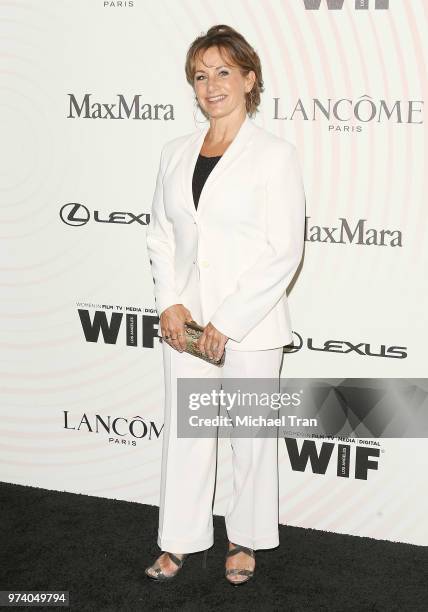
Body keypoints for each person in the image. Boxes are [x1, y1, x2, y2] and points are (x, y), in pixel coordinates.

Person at [144, 24, 306, 585]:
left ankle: (245, 538)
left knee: (249, 437)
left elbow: (284, 251)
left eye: (222, 72)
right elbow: (162, 234)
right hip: (186, 326)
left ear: (248, 78)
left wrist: (229, 322)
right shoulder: (174, 152)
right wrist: (170, 303)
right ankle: (180, 539)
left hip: (250, 326)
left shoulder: (275, 156)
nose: (211, 85)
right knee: (187, 437)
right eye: (200, 75)